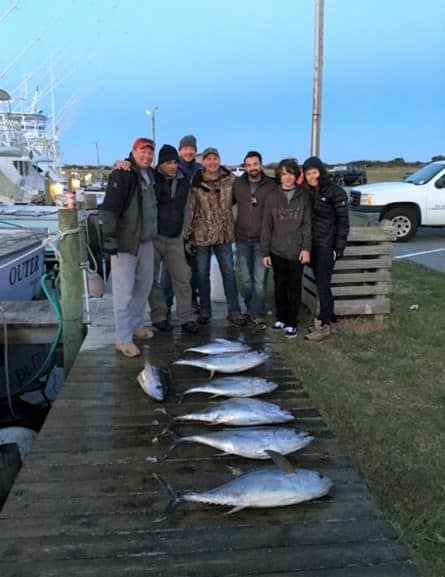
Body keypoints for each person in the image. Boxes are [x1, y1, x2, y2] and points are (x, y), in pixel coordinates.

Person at [101, 137, 157, 357]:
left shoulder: (150, 174)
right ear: (133, 152)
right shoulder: (122, 173)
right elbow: (109, 207)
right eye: (142, 151)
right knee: (123, 293)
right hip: (126, 243)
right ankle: (123, 339)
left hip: (147, 240)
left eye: (150, 152)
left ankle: (136, 325)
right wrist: (109, 237)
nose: (147, 156)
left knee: (143, 288)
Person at [184, 147, 245, 326]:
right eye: (208, 159)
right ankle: (205, 310)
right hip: (201, 234)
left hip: (224, 234)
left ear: (219, 160)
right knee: (202, 274)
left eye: (215, 158)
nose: (212, 162)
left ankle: (234, 311)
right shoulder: (195, 181)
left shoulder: (230, 179)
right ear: (203, 162)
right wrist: (187, 234)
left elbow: (244, 193)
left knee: (229, 273)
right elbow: (190, 208)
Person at [148, 144, 198, 334]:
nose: (173, 166)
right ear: (161, 164)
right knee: (152, 279)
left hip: (176, 236)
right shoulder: (151, 178)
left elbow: (188, 208)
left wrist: (185, 233)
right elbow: (134, 168)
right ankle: (159, 317)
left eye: (175, 162)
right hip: (154, 236)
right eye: (168, 163)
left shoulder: (184, 181)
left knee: (183, 278)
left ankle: (186, 318)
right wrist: (125, 161)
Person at [260, 158, 311, 338]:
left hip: (297, 251)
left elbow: (307, 224)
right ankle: (281, 317)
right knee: (280, 285)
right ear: (279, 177)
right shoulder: (272, 197)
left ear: (296, 176)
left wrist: (306, 248)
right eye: (283, 174)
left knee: (294, 286)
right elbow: (267, 225)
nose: (287, 177)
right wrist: (265, 251)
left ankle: (292, 322)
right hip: (277, 250)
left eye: (290, 174)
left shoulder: (303, 196)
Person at [302, 156, 349, 341]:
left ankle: (323, 324)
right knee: (321, 283)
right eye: (308, 174)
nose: (312, 176)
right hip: (312, 244)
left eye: (315, 172)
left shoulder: (335, 192)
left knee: (323, 285)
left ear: (321, 172)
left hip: (326, 245)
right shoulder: (308, 192)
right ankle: (332, 320)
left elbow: (343, 222)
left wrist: (338, 247)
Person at [233, 150, 276, 329]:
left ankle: (257, 314)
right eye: (248, 165)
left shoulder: (271, 185)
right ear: (245, 166)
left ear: (261, 165)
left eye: (255, 164)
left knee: (259, 281)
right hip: (242, 238)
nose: (252, 168)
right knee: (247, 280)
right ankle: (252, 309)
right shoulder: (238, 183)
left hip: (262, 240)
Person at [161, 134, 201, 314]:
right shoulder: (172, 169)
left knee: (192, 269)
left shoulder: (200, 170)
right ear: (180, 151)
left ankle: (191, 301)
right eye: (185, 148)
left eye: (191, 148)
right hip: (173, 228)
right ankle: (166, 305)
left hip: (194, 228)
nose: (188, 151)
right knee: (169, 271)